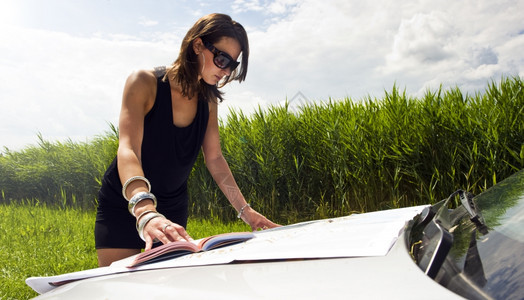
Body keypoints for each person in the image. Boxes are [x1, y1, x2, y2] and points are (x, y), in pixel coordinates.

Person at [94, 13, 279, 267]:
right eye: (222, 59)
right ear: (198, 45)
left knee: (165, 287)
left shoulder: (209, 99)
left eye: (232, 65)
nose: (225, 71)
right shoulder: (144, 82)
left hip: (172, 205)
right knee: (119, 288)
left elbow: (214, 158)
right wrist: (145, 210)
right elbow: (128, 150)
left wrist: (246, 212)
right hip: (127, 201)